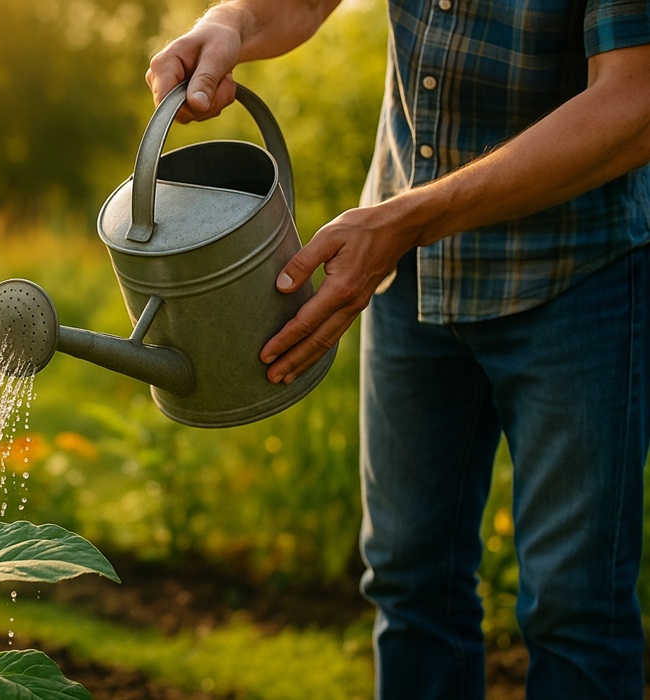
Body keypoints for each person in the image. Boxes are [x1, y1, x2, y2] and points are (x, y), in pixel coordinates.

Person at [145, 1, 650, 698]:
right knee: (411, 587)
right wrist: (229, 23)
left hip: (572, 276)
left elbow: (635, 103)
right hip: (411, 277)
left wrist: (411, 219)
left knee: (575, 608)